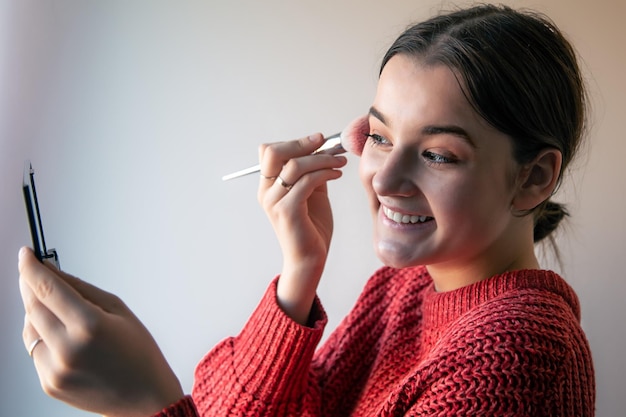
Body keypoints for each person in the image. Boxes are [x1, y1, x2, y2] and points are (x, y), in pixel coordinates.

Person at [19, 4, 595, 416]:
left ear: (534, 177)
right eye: (381, 136)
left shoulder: (521, 355)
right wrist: (298, 276)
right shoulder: (406, 290)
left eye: (439, 155)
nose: (385, 178)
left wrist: (146, 406)